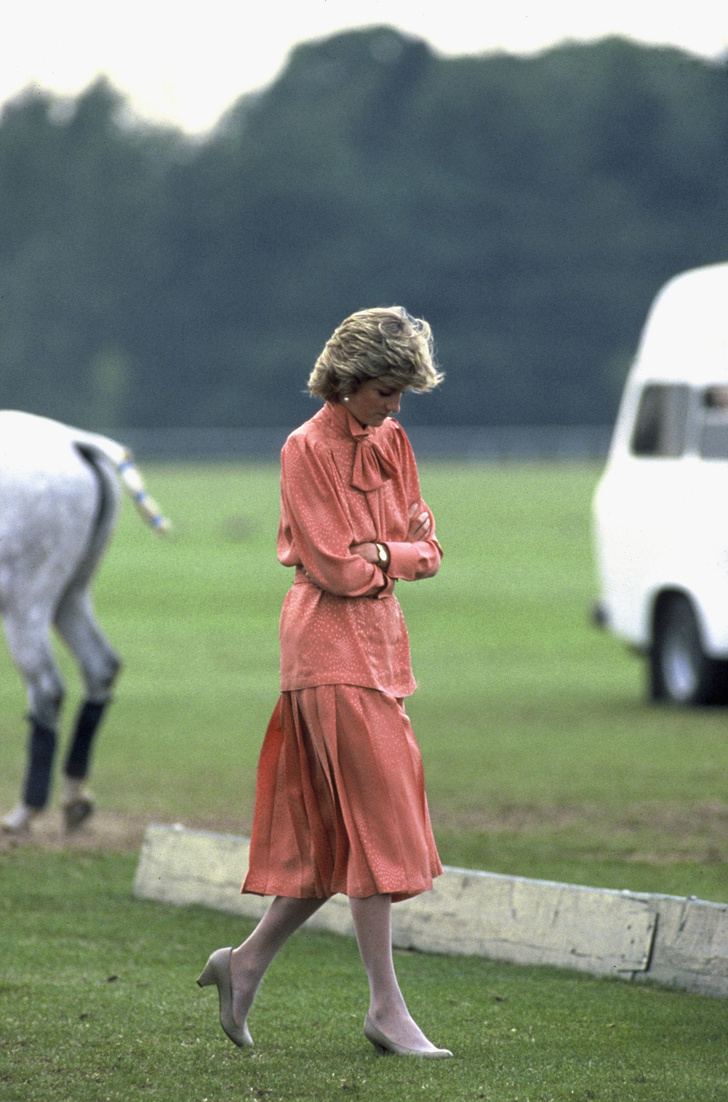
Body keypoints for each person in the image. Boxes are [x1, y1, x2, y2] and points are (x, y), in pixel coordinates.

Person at [197, 306, 451, 1058]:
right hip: (324, 649)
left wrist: (382, 553)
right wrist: (389, 554)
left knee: (336, 839)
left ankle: (243, 965)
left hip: (380, 648)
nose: (394, 407)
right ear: (346, 380)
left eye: (401, 393)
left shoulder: (393, 441)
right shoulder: (304, 449)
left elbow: (430, 547)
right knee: (376, 829)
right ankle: (385, 1009)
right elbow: (336, 569)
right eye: (383, 392)